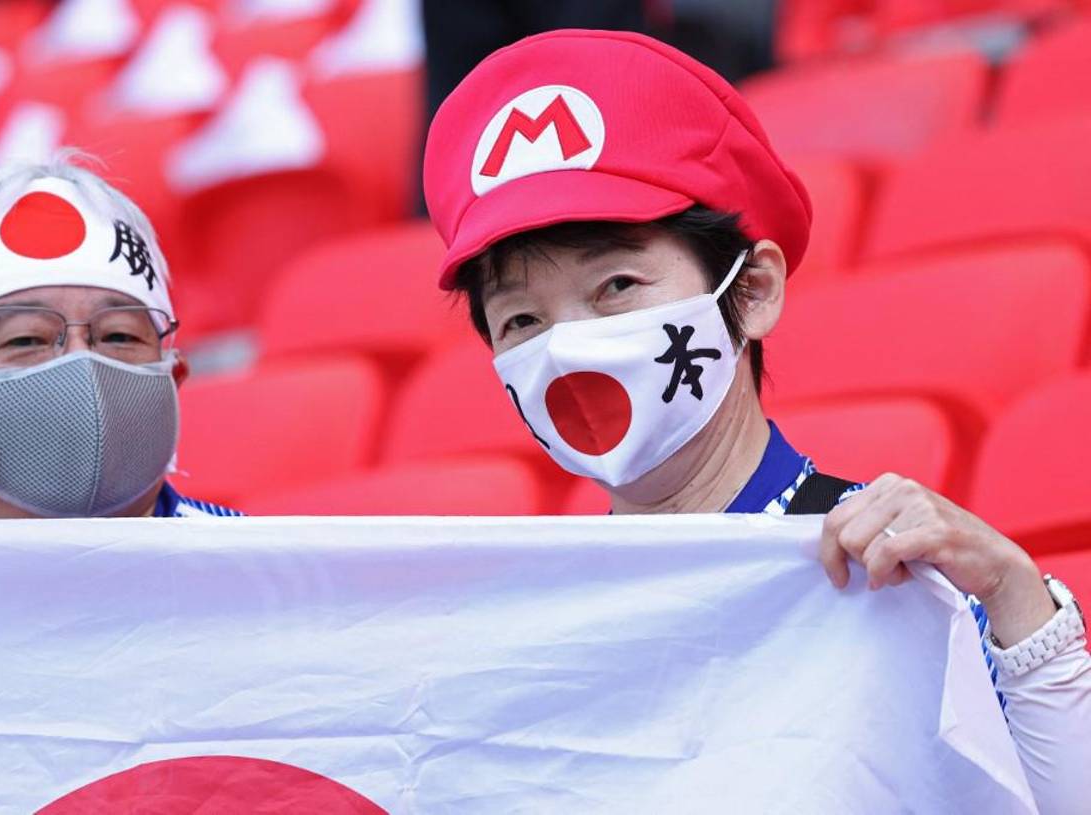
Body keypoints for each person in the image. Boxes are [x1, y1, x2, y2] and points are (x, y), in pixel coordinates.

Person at [422, 29, 1089, 813]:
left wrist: (1016, 603)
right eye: (522, 321)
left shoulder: (902, 579)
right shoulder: (525, 633)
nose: (567, 347)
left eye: (616, 286)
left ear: (753, 290)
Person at [0, 156, 238, 519]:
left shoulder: (257, 555)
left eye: (119, 335)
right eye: (26, 339)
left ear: (172, 381)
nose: (81, 366)